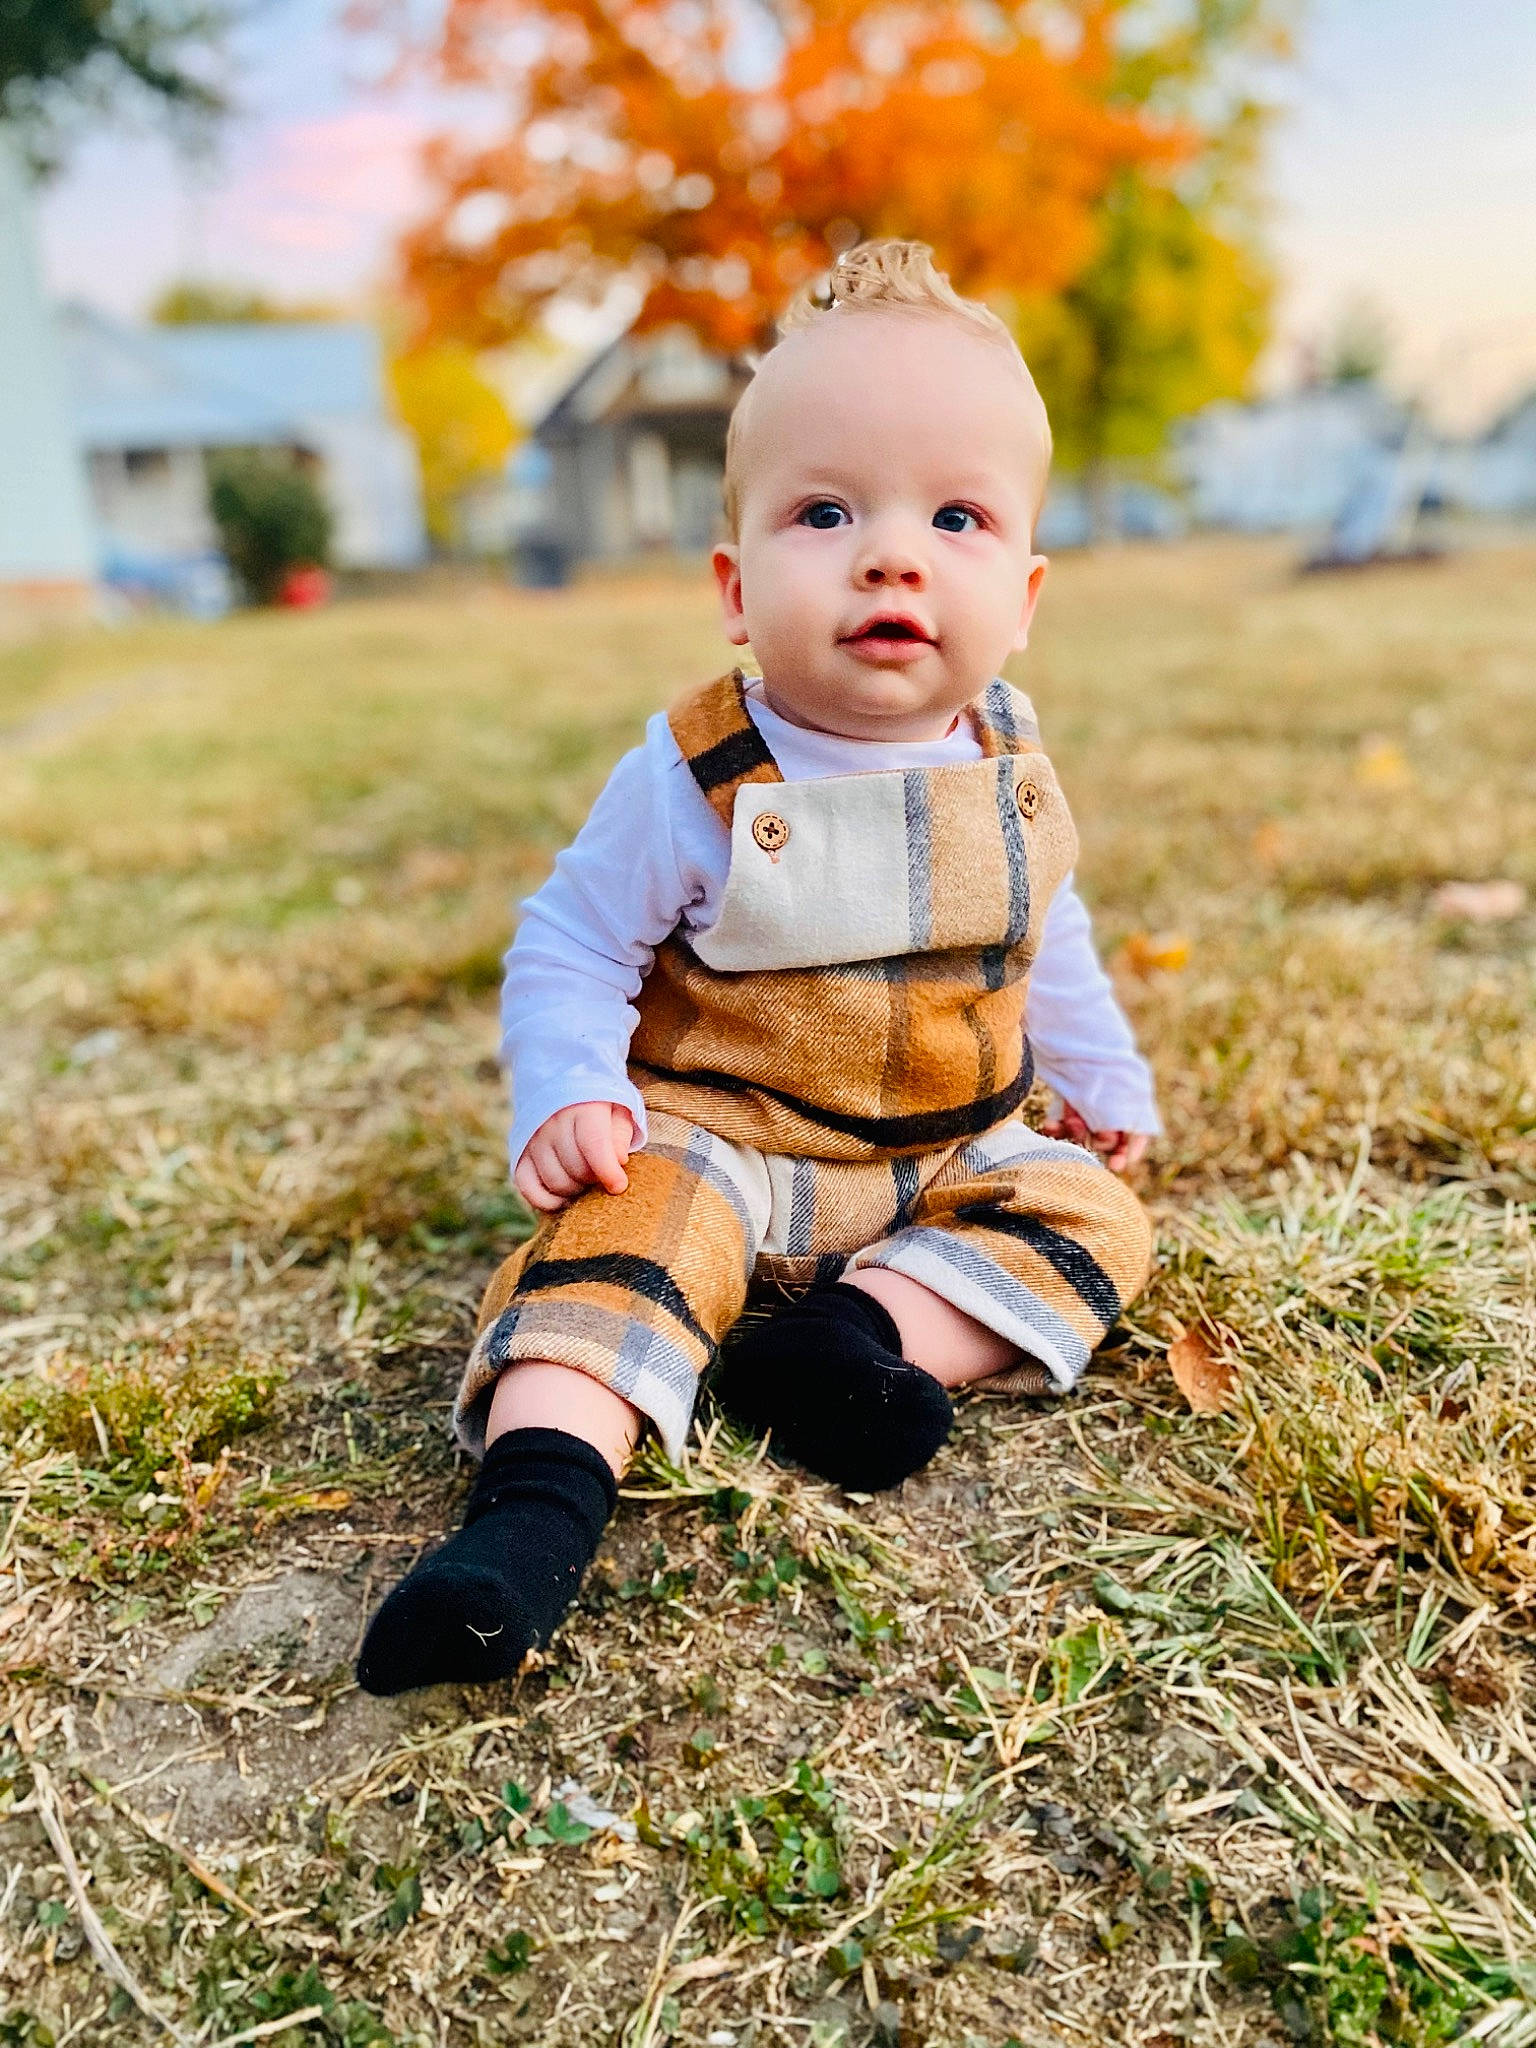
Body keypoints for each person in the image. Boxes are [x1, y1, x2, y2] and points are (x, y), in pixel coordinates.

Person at [357, 241, 1159, 1697]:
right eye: (826, 510)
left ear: (1026, 593)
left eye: (956, 515)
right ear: (735, 582)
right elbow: (573, 940)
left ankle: (861, 1340)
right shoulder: (701, 771)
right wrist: (569, 1088)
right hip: (728, 1146)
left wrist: (1101, 1078)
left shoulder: (1013, 762)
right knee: (619, 1239)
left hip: (942, 1158)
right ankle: (529, 1521)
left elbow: (1056, 932)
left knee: (1095, 1217)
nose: (890, 554)